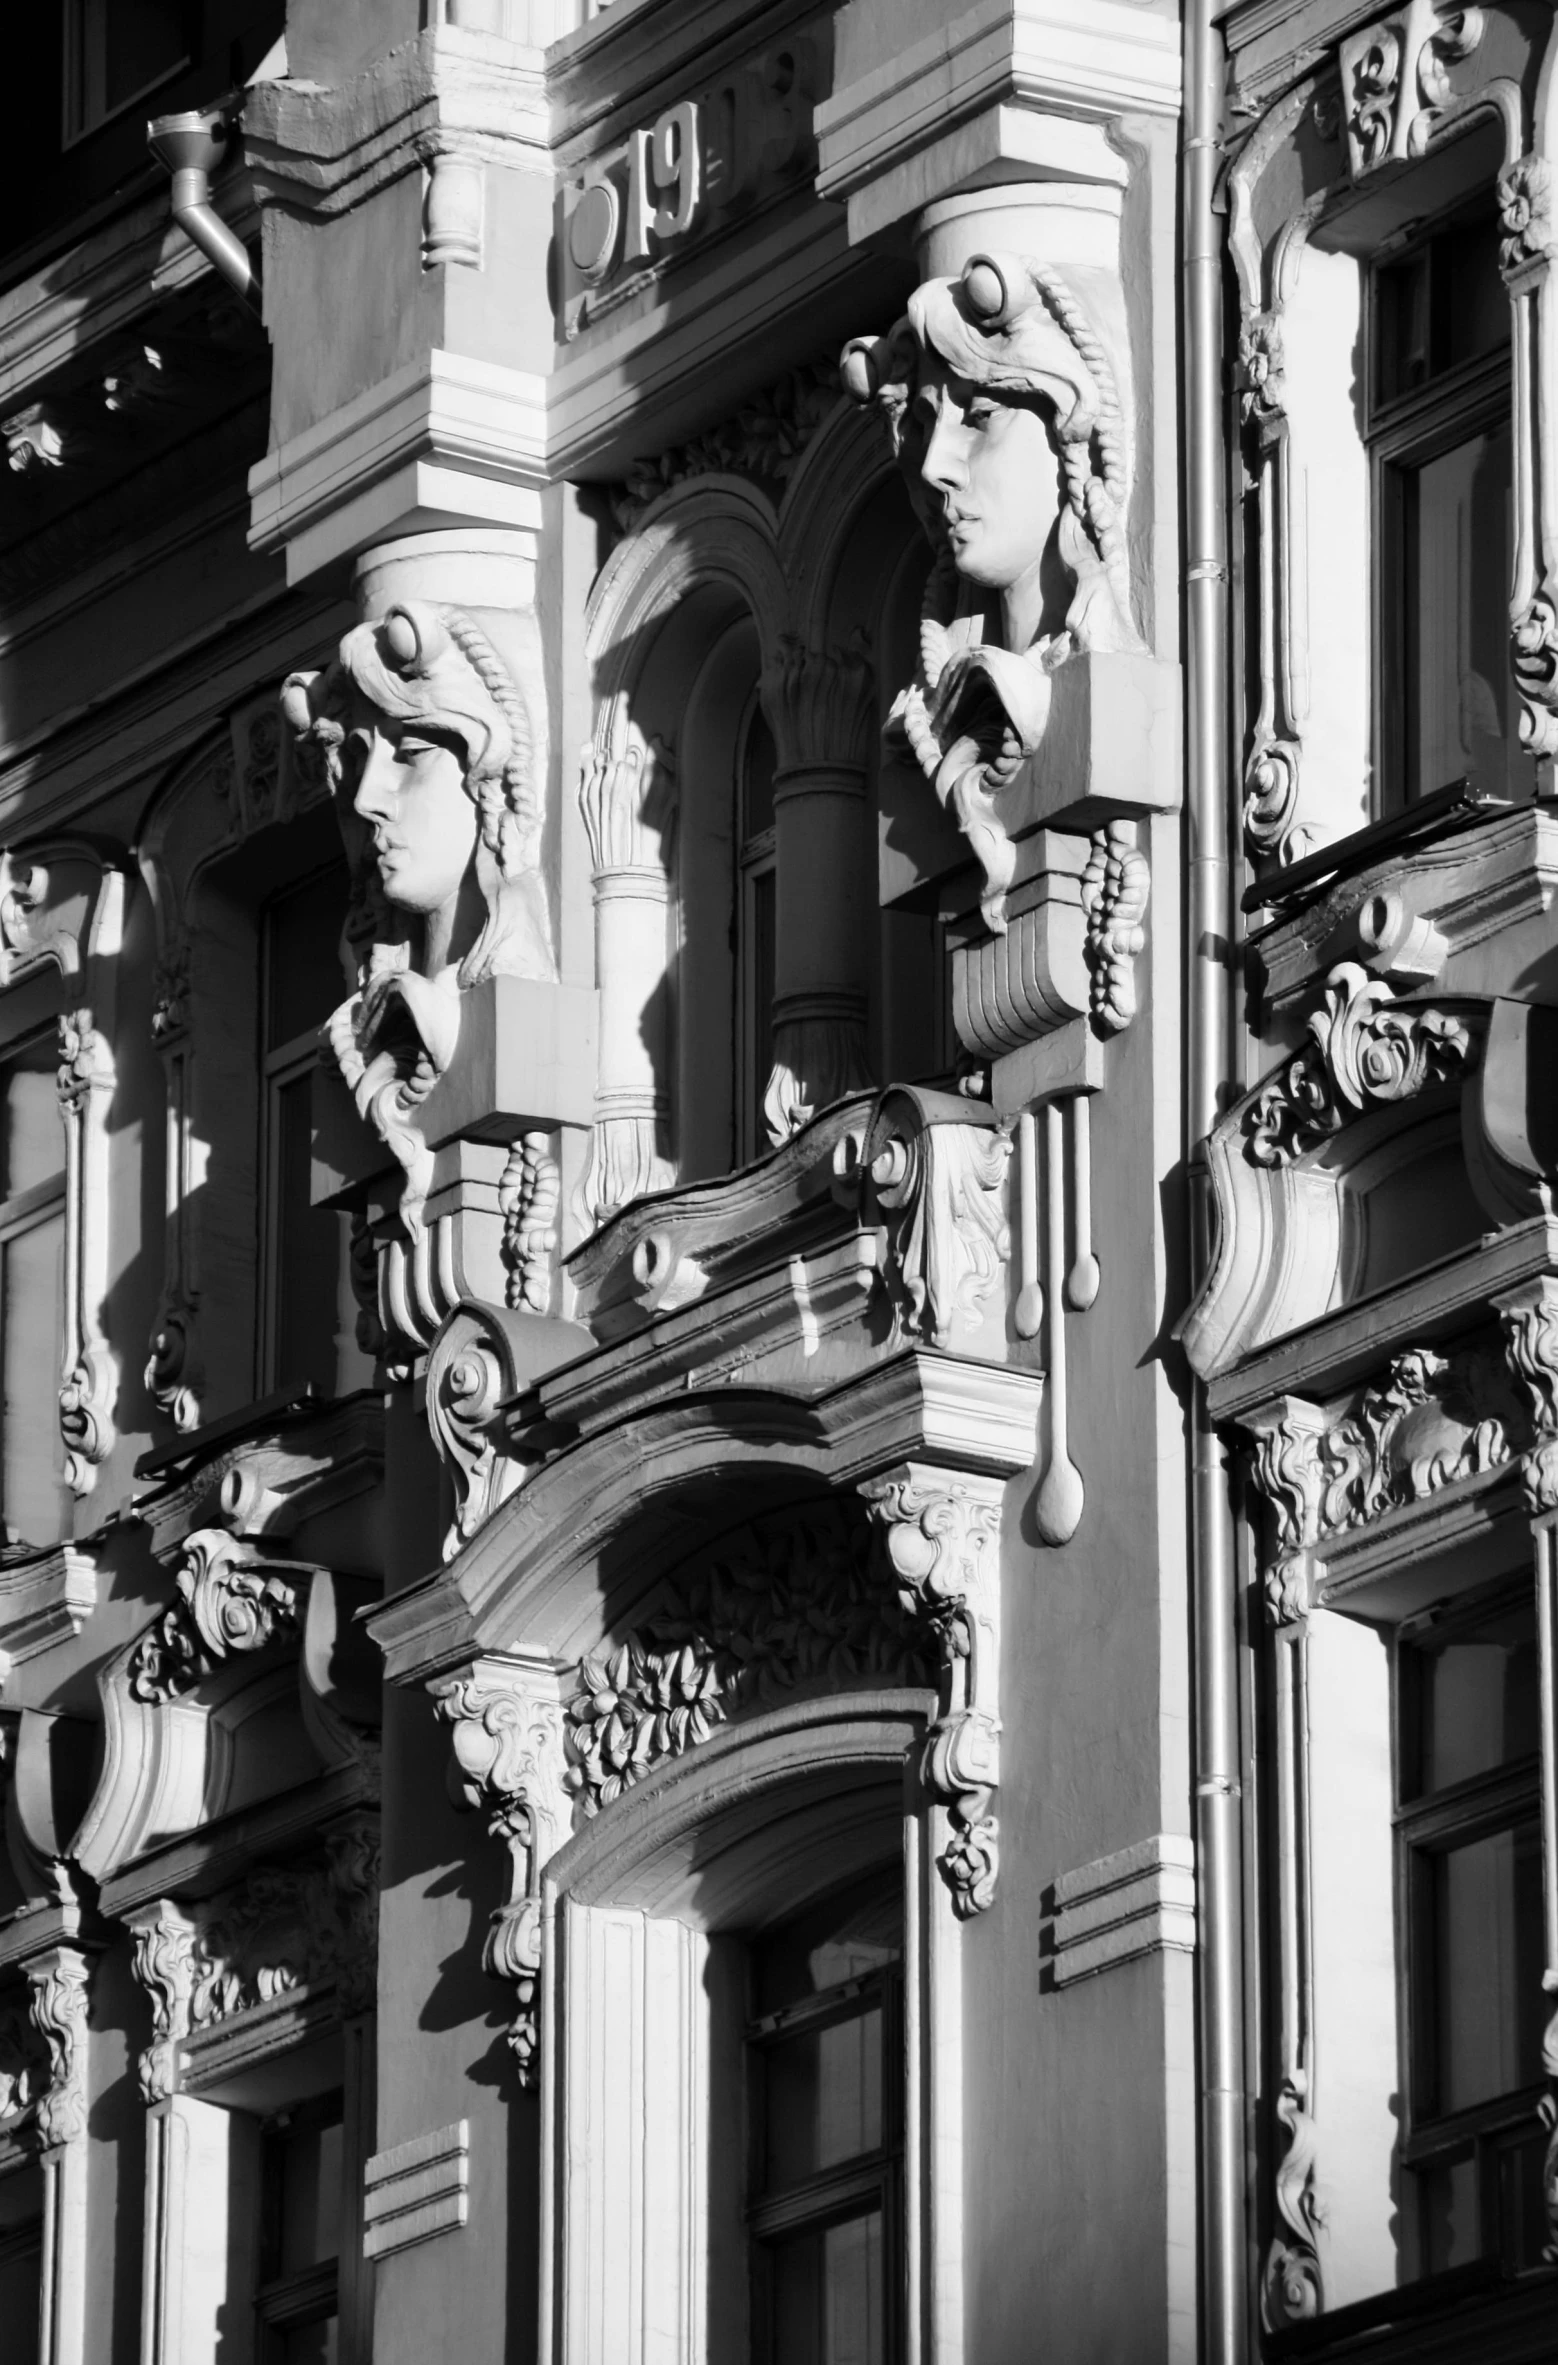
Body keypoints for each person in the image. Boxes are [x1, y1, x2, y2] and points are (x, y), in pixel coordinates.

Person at [842, 252, 1140, 925]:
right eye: (922, 429)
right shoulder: (931, 712)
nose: (937, 467)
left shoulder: (1083, 672)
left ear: (1073, 438)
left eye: (979, 418)